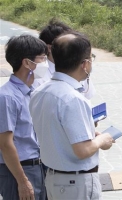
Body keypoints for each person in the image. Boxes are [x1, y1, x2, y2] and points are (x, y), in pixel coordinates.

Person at [29, 32, 114, 200]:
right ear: (85, 64)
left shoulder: (39, 92)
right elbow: (82, 151)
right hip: (76, 183)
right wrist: (102, 140)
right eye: (91, 58)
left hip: (54, 179)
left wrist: (91, 136)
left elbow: (57, 133)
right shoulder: (73, 99)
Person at [0, 35, 47, 200]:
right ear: (27, 63)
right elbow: (6, 144)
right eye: (42, 58)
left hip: (37, 167)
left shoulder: (31, 92)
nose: (45, 63)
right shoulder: (7, 97)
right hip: (19, 170)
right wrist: (22, 181)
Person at [33, 18, 95, 99]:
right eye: (67, 45)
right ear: (49, 48)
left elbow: (88, 95)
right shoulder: (39, 75)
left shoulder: (80, 68)